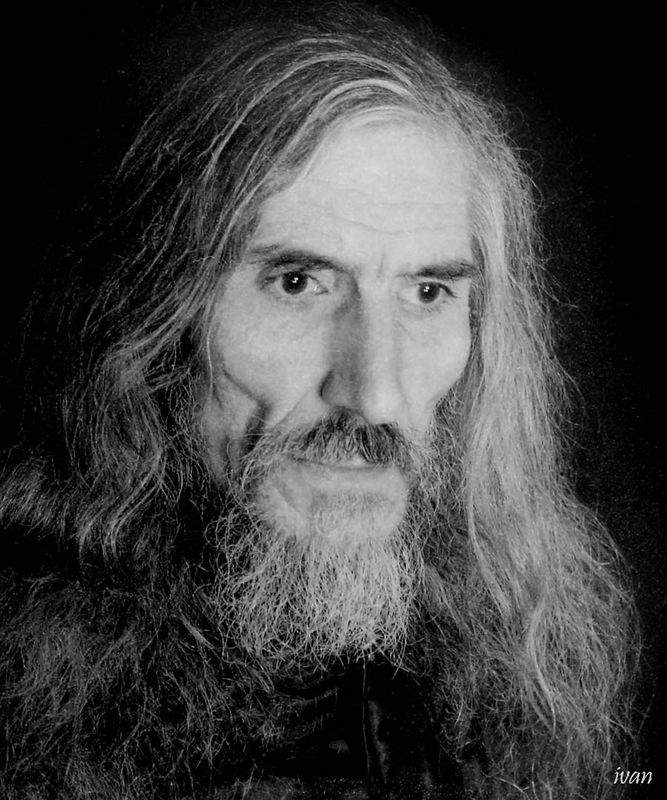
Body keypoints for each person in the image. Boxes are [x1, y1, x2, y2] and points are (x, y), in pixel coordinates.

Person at [0, 2, 639, 798]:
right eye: (297, 283)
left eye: (428, 292)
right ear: (152, 316)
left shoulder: (524, 670)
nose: (375, 395)